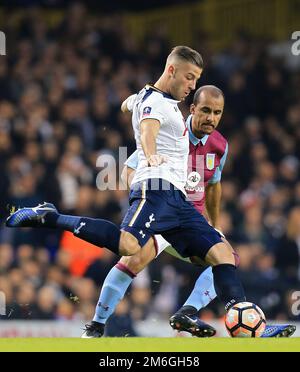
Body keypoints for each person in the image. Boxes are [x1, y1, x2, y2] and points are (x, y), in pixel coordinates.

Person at [6, 46, 291, 338]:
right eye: (190, 81)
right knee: (129, 250)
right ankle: (53, 225)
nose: (192, 88)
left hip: (180, 205)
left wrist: (131, 101)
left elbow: (212, 184)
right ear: (190, 105)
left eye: (216, 112)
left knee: (224, 253)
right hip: (157, 191)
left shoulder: (185, 121)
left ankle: (222, 316)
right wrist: (150, 154)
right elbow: (147, 130)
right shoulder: (161, 109)